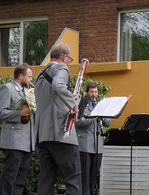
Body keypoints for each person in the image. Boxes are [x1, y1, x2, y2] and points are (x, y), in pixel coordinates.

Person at [35, 43, 82, 195]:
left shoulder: (40, 75)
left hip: (43, 135)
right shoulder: (60, 68)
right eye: (69, 58)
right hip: (61, 133)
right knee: (73, 177)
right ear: (63, 57)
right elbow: (59, 86)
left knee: (46, 179)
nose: (69, 61)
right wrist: (73, 104)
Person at [0, 63, 37, 195]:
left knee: (21, 179)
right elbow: (1, 112)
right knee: (9, 177)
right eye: (29, 76)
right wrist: (19, 114)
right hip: (14, 141)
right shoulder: (7, 88)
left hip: (28, 142)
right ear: (21, 76)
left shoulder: (28, 91)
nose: (31, 79)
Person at [75, 82, 111, 195]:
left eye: (95, 92)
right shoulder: (82, 104)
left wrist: (106, 112)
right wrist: (92, 118)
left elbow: (107, 124)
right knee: (85, 176)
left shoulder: (100, 105)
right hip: (85, 145)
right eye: (91, 92)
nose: (93, 94)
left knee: (95, 176)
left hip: (97, 145)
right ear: (87, 92)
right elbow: (77, 122)